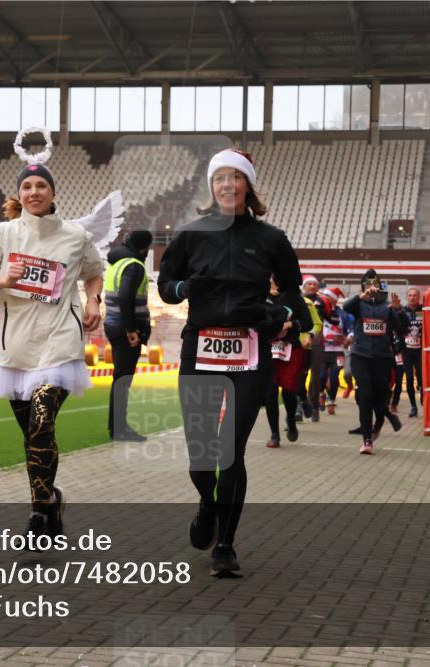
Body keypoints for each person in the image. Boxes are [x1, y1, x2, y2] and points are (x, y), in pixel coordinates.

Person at [159, 147, 302, 576]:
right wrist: (185, 287)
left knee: (230, 452)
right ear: (211, 187)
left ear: (247, 185)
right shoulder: (190, 234)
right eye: (219, 178)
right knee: (202, 456)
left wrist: (286, 315)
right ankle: (207, 502)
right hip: (200, 349)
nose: (227, 185)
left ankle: (225, 544)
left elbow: (293, 292)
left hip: (250, 352)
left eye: (235, 177)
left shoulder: (271, 239)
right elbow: (166, 285)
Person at [0, 157, 105, 543]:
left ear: (53, 193)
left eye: (41, 186)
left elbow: (94, 273)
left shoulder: (76, 236)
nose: (34, 192)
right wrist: (0, 278)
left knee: (42, 420)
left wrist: (94, 303)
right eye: (27, 187)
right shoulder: (3, 233)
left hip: (60, 342)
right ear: (20, 195)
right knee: (33, 435)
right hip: (17, 349)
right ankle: (51, 501)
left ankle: (38, 514)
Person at [341, 269, 406, 454]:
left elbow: (402, 328)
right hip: (360, 355)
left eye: (375, 284)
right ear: (363, 287)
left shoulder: (387, 306)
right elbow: (346, 307)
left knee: (379, 394)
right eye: (368, 284)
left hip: (382, 357)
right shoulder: (359, 304)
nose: (371, 288)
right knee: (366, 395)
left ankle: (385, 415)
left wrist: (398, 309)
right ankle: (367, 440)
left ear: (380, 286)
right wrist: (361, 296)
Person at [104, 230, 154, 442]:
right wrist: (131, 330)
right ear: (145, 247)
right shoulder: (134, 265)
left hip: (112, 324)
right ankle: (119, 429)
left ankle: (116, 427)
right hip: (125, 329)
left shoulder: (117, 262)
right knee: (123, 380)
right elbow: (125, 297)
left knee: (120, 379)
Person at [265, 277, 313, 447]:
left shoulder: (294, 297)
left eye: (277, 278)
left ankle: (291, 421)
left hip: (290, 349)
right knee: (270, 392)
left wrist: (290, 324)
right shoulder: (260, 296)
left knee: (288, 391)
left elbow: (308, 323)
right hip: (267, 349)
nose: (274, 281)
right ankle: (274, 434)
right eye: (271, 278)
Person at [392, 286, 424, 418]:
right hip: (406, 350)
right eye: (410, 295)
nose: (412, 298)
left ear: (419, 297)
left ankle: (423, 398)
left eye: (415, 295)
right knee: (409, 379)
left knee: (422, 380)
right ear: (407, 297)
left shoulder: (424, 310)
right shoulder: (402, 311)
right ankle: (413, 406)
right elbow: (396, 328)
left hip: (421, 350)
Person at [298, 275, 326, 422]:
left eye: (315, 284)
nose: (313, 286)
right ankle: (298, 407)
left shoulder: (322, 301)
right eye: (309, 284)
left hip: (316, 340)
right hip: (300, 341)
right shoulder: (297, 300)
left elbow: (326, 320)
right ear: (303, 286)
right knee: (299, 375)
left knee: (315, 377)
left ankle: (314, 407)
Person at [321, 288, 352, 415]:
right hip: (322, 350)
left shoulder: (343, 314)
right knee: (321, 376)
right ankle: (321, 393)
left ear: (334, 299)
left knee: (334, 378)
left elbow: (351, 329)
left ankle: (332, 400)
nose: (325, 298)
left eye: (327, 296)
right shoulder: (319, 311)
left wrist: (349, 338)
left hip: (338, 351)